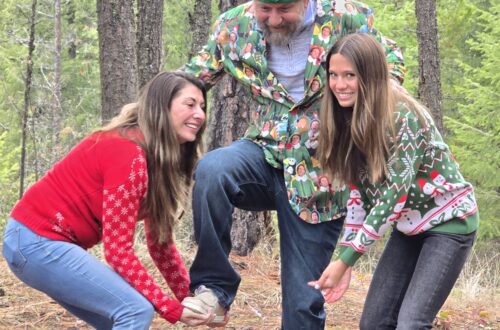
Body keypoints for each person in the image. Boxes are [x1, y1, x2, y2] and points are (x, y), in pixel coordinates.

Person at [181, 0, 405, 328]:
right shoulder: (233, 26)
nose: (273, 19)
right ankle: (214, 289)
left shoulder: (348, 17)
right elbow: (190, 79)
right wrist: (145, 121)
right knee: (214, 170)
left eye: (284, 9)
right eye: (265, 8)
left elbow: (389, 63)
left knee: (303, 306)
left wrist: (374, 121)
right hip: (262, 155)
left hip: (322, 176)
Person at [2, 72, 216, 329]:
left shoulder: (153, 159)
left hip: (35, 242)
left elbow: (160, 243)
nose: (200, 115)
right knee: (134, 312)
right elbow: (118, 253)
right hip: (35, 241)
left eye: (202, 107)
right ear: (161, 106)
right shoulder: (128, 152)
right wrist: (171, 308)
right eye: (190, 104)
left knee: (116, 318)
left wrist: (190, 300)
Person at [309, 33, 479, 329]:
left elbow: (392, 198)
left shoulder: (401, 115)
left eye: (350, 75)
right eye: (334, 75)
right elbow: (358, 196)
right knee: (373, 323)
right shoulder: (346, 116)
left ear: (370, 74)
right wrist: (347, 253)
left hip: (449, 223)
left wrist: (346, 260)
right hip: (409, 227)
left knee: (411, 323)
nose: (339, 85)